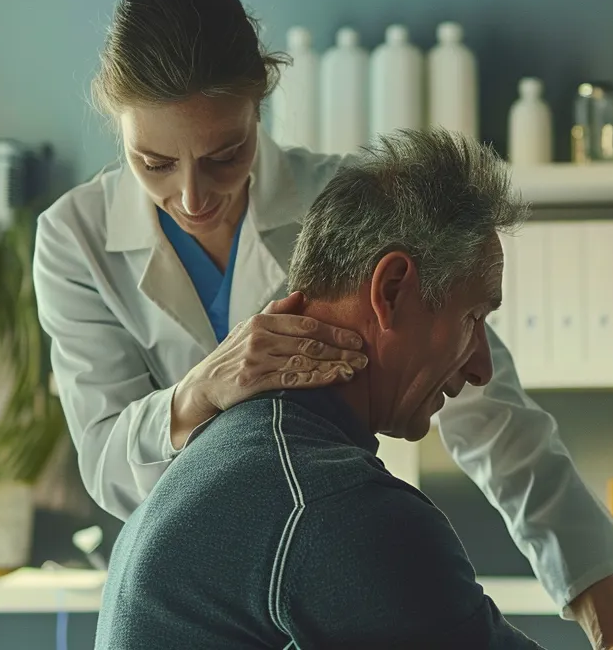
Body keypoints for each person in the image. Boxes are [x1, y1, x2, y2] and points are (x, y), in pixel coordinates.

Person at [33, 0, 613, 647]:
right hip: (209, 574)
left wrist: (604, 606)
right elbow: (107, 460)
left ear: (260, 104)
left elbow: (492, 412)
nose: (192, 197)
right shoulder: (74, 237)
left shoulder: (346, 203)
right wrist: (200, 391)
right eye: (153, 162)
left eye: (225, 156)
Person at [97, 128, 544, 649]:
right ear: (392, 290)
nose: (482, 369)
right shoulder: (338, 509)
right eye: (473, 317)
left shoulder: (225, 457)